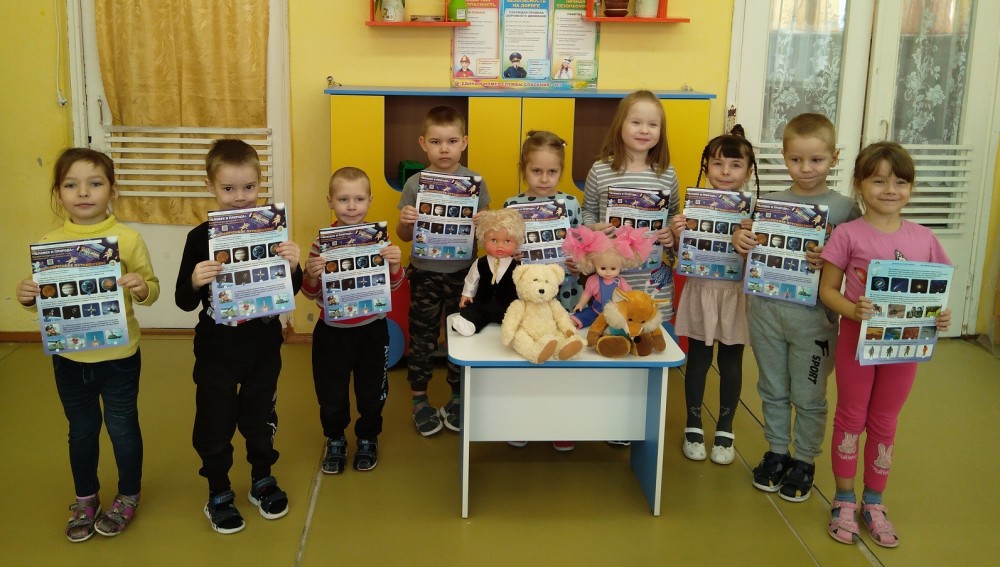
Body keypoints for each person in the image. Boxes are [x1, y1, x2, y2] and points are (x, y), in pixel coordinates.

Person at [16, 148, 160, 542]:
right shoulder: (49, 244)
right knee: (81, 430)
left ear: (112, 189)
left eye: (95, 183)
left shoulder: (127, 239)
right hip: (69, 357)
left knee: (122, 428)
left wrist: (141, 287)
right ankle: (85, 499)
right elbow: (44, 302)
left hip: (119, 357)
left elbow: (152, 289)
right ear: (58, 193)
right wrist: (27, 296)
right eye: (71, 184)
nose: (83, 192)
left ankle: (128, 495)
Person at [819, 141, 951, 548]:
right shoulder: (847, 234)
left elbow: (936, 294)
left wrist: (939, 317)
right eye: (878, 181)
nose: (890, 190)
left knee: (885, 421)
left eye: (900, 182)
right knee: (851, 418)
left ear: (911, 188)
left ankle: (874, 502)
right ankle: (844, 499)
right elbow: (827, 290)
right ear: (860, 184)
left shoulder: (925, 238)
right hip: (857, 343)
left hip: (904, 349)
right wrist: (853, 310)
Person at [731, 113, 862, 502]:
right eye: (796, 159)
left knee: (809, 395)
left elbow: (859, 265)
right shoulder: (769, 204)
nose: (806, 168)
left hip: (814, 321)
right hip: (766, 313)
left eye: (816, 160)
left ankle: (804, 459)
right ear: (784, 157)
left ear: (834, 158)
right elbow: (751, 256)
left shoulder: (846, 210)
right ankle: (776, 452)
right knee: (771, 387)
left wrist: (833, 259)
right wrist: (741, 243)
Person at [175, 139, 303, 534]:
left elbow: (290, 290)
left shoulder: (271, 232)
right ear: (211, 187)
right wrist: (195, 280)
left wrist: (293, 266)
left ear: (260, 184)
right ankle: (218, 490)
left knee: (260, 416)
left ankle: (262, 478)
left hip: (263, 345)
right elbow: (183, 300)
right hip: (216, 348)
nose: (240, 197)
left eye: (249, 187)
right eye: (228, 188)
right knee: (215, 420)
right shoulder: (199, 238)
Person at [302, 167, 406, 475]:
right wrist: (311, 274)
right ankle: (335, 438)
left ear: (370, 200)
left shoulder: (380, 241)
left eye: (359, 199)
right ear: (330, 201)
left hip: (372, 330)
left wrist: (395, 265)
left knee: (372, 392)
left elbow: (395, 286)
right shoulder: (321, 244)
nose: (351, 206)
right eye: (343, 199)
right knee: (330, 393)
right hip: (332, 332)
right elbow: (310, 293)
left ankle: (368, 437)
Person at [396, 106, 491, 436]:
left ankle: (457, 398)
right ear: (423, 143)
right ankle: (419, 400)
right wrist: (405, 222)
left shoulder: (474, 183)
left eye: (452, 141)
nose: (444, 149)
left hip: (464, 274)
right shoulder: (415, 184)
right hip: (424, 272)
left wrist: (484, 222)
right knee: (422, 337)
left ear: (464, 142)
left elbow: (490, 237)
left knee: (461, 333)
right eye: (436, 142)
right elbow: (404, 236)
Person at [670, 126, 760, 465]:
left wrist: (754, 238)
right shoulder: (694, 207)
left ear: (748, 172)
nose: (725, 172)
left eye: (735, 165)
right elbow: (681, 256)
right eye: (718, 163)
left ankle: (725, 427)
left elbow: (762, 262)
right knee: (697, 360)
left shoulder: (757, 212)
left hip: (736, 294)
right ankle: (693, 424)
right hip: (702, 290)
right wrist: (677, 235)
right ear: (706, 166)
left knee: (731, 363)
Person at [582, 90, 678, 325]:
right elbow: (588, 211)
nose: (644, 130)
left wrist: (670, 232)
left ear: (661, 131)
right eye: (636, 122)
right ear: (620, 126)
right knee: (610, 330)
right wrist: (593, 229)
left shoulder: (666, 173)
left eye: (653, 125)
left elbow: (673, 215)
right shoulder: (600, 170)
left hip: (652, 277)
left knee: (651, 333)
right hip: (610, 274)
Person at [502, 130, 584, 311]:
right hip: (528, 291)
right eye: (536, 171)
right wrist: (510, 253)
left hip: (565, 288)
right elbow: (503, 246)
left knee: (566, 326)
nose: (544, 179)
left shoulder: (571, 203)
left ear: (561, 170)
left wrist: (579, 263)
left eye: (552, 171)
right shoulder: (512, 205)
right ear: (523, 168)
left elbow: (582, 245)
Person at [450, 209, 524, 336]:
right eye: (493, 240)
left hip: (508, 307)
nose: (500, 246)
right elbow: (471, 280)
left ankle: (516, 330)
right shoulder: (480, 263)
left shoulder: (519, 266)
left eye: (507, 241)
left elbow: (523, 287)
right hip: (482, 305)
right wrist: (467, 294)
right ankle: (468, 324)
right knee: (472, 313)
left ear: (517, 243)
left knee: (518, 317)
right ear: (483, 240)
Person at [563, 225, 653, 329]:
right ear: (594, 264)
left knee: (625, 322)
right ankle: (571, 326)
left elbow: (629, 296)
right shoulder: (593, 280)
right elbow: (587, 294)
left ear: (621, 266)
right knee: (580, 316)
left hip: (616, 312)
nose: (608, 272)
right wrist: (580, 304)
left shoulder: (620, 282)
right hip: (596, 311)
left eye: (613, 269)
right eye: (603, 268)